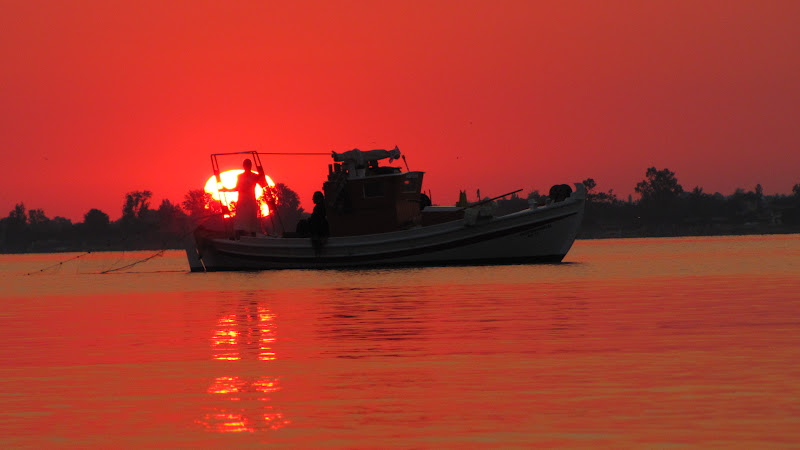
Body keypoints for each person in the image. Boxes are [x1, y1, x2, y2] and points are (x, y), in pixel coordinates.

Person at [221, 159, 265, 237]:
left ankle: (252, 237)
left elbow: (264, 185)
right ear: (244, 166)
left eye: (249, 165)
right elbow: (237, 188)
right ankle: (239, 237)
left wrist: (261, 174)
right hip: (242, 201)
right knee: (241, 220)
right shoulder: (240, 176)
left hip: (251, 200)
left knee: (251, 220)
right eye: (246, 165)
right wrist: (226, 189)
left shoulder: (255, 176)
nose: (247, 167)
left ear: (251, 166)